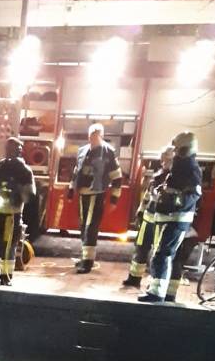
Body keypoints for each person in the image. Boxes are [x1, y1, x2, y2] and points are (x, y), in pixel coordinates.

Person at [139, 131, 202, 303]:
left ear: (186, 149)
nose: (175, 152)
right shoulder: (179, 166)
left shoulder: (191, 168)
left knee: (163, 254)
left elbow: (193, 194)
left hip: (177, 218)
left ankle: (156, 293)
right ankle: (161, 291)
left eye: (178, 149)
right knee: (161, 254)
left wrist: (173, 198)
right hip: (168, 217)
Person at [0, 137, 36, 286]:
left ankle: (6, 276)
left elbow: (30, 194)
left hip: (13, 214)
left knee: (9, 245)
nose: (10, 152)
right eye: (8, 148)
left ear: (19, 151)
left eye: (13, 149)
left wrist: (17, 195)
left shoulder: (24, 172)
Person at [67, 123, 123, 274]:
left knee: (90, 227)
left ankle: (87, 262)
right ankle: (85, 257)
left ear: (101, 135)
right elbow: (75, 171)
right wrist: (71, 190)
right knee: (83, 226)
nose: (92, 137)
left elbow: (117, 177)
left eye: (95, 134)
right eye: (90, 134)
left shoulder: (108, 152)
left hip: (96, 194)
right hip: (82, 194)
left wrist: (114, 200)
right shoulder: (82, 151)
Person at [122, 145, 175, 288]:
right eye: (162, 159)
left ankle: (153, 282)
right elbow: (147, 196)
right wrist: (140, 211)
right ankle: (134, 277)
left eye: (166, 159)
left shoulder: (174, 179)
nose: (163, 162)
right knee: (140, 248)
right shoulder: (157, 177)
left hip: (161, 221)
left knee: (158, 253)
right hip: (148, 219)